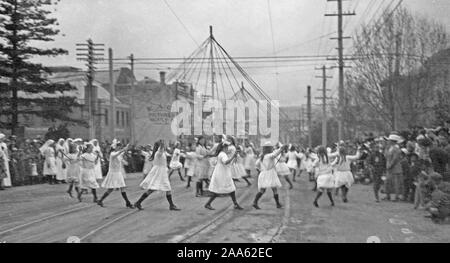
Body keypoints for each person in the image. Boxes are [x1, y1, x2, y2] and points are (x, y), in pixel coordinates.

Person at [134, 140, 180, 211]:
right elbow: (161, 150)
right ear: (160, 147)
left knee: (156, 189)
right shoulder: (158, 153)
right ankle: (171, 205)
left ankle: (138, 202)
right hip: (160, 173)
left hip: (161, 172)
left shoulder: (159, 153)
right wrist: (161, 144)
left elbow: (167, 154)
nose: (164, 146)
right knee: (164, 188)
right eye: (162, 145)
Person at [204, 139, 243, 210]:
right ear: (223, 148)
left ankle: (235, 204)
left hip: (222, 173)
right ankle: (208, 203)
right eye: (226, 147)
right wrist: (233, 156)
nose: (227, 148)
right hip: (222, 174)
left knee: (229, 189)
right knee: (223, 189)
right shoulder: (223, 154)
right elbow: (226, 162)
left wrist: (234, 157)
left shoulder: (222, 154)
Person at [97, 141, 134, 208]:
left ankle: (127, 202)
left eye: (120, 146)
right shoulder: (112, 154)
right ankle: (100, 200)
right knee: (110, 189)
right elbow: (118, 153)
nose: (119, 147)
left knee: (122, 187)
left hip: (118, 173)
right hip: (113, 173)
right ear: (115, 147)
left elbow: (121, 156)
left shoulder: (119, 154)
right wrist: (124, 149)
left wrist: (127, 150)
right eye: (118, 146)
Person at [252, 142, 288, 209]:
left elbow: (256, 165)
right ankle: (277, 204)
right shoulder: (269, 156)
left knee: (262, 190)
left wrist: (261, 170)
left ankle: (255, 202)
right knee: (274, 189)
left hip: (263, 174)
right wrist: (281, 148)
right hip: (270, 174)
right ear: (269, 148)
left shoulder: (262, 156)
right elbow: (275, 154)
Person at [384, 134, 404, 202]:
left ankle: (397, 196)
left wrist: (390, 165)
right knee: (388, 182)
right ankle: (387, 195)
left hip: (395, 168)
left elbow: (395, 159)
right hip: (389, 167)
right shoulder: (390, 148)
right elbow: (386, 156)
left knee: (396, 183)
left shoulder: (396, 149)